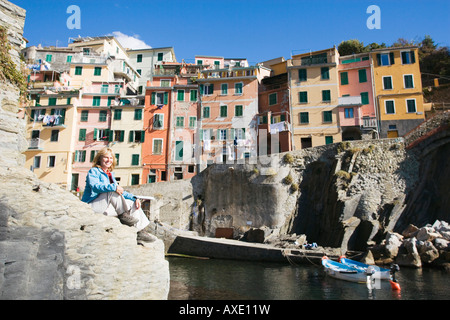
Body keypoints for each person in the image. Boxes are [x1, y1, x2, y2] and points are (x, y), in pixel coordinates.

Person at [81, 147, 156, 243]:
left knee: (132, 202)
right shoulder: (94, 171)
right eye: (106, 157)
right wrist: (114, 187)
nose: (109, 160)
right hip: (93, 205)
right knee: (112, 190)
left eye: (111, 158)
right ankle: (123, 215)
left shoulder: (110, 174)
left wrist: (134, 198)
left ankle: (140, 231)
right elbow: (95, 187)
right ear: (100, 158)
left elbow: (121, 191)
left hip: (106, 206)